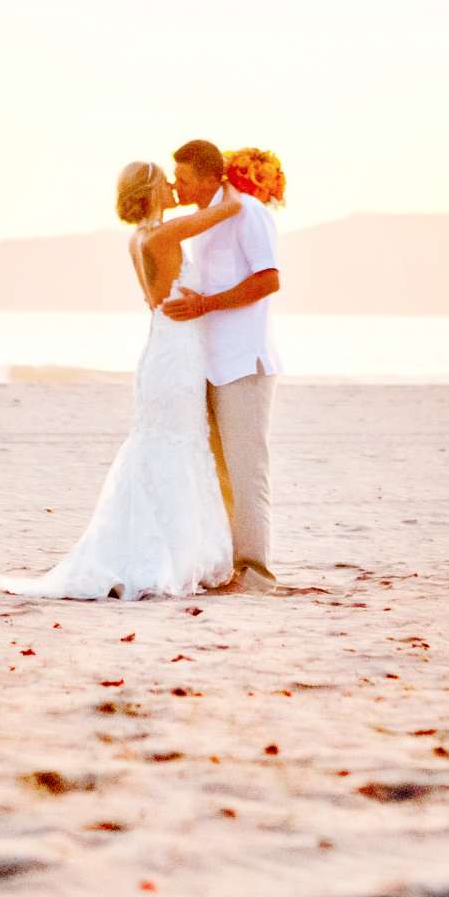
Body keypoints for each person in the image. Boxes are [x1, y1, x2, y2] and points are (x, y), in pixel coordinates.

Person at [0, 161, 242, 600]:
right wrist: (234, 183)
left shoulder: (139, 238)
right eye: (165, 181)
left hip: (164, 349)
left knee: (165, 446)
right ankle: (168, 558)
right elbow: (226, 211)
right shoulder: (164, 234)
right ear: (150, 192)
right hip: (176, 355)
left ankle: (169, 550)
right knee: (176, 447)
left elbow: (152, 298)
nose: (172, 185)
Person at [160, 138, 282, 590]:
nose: (177, 184)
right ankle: (231, 565)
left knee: (248, 471)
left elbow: (269, 279)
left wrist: (207, 304)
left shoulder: (249, 213)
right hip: (206, 362)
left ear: (212, 177)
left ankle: (257, 573)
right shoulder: (206, 220)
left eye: (184, 177)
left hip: (243, 362)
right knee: (221, 473)